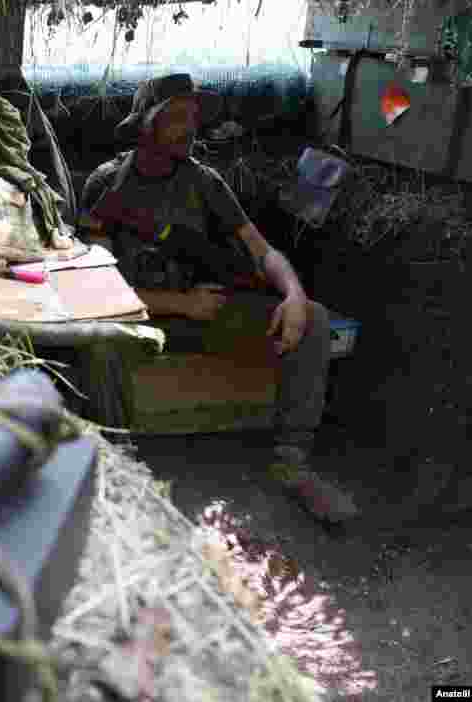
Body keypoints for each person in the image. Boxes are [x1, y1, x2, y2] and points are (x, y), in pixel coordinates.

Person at [79, 73, 358, 523]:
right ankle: (119, 462)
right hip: (139, 316)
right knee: (95, 335)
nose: (190, 128)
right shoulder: (107, 184)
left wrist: (293, 294)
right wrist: (179, 304)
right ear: (146, 126)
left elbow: (263, 252)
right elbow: (95, 284)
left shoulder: (205, 182)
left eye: (194, 117)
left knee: (316, 319)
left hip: (206, 311)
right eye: (177, 118)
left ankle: (292, 462)